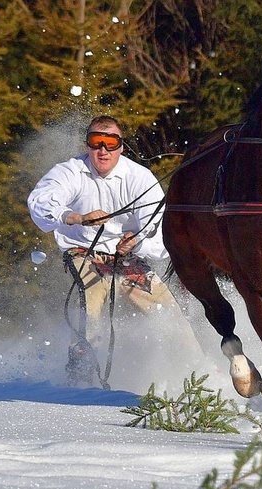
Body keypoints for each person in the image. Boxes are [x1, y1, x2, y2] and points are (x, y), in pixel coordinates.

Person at [27, 115, 202, 388]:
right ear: (87, 145)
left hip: (127, 256)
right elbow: (40, 202)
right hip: (83, 249)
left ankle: (197, 372)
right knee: (94, 293)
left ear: (121, 147)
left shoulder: (139, 178)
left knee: (164, 308)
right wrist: (75, 217)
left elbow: (159, 227)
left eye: (111, 143)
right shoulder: (71, 171)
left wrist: (137, 241)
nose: (103, 150)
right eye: (97, 142)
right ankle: (81, 374)